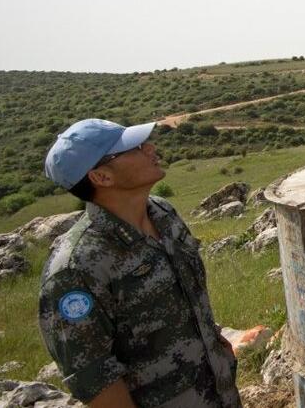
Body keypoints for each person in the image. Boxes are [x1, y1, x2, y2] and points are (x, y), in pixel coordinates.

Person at [38, 119, 240, 407]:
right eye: (134, 148)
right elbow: (95, 380)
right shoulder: (77, 268)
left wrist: (217, 343)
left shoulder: (162, 213)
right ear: (102, 177)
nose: (150, 148)